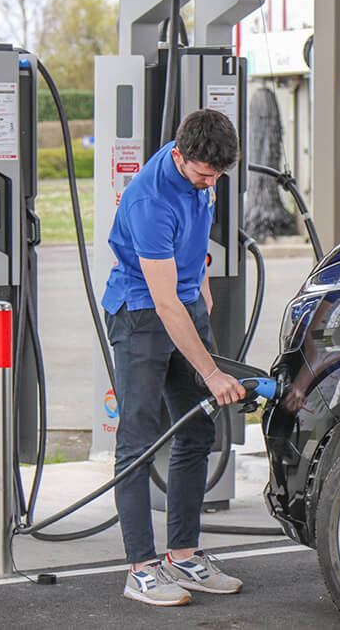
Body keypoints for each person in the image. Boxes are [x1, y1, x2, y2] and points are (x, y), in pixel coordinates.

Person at [101, 108, 249, 606]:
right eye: (206, 174)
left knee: (196, 429)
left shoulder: (204, 173)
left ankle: (182, 556)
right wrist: (211, 371)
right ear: (180, 155)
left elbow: (196, 239)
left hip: (184, 305)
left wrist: (202, 286)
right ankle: (141, 570)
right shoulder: (149, 199)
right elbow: (162, 301)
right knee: (139, 439)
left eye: (220, 174)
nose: (213, 182)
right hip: (141, 315)